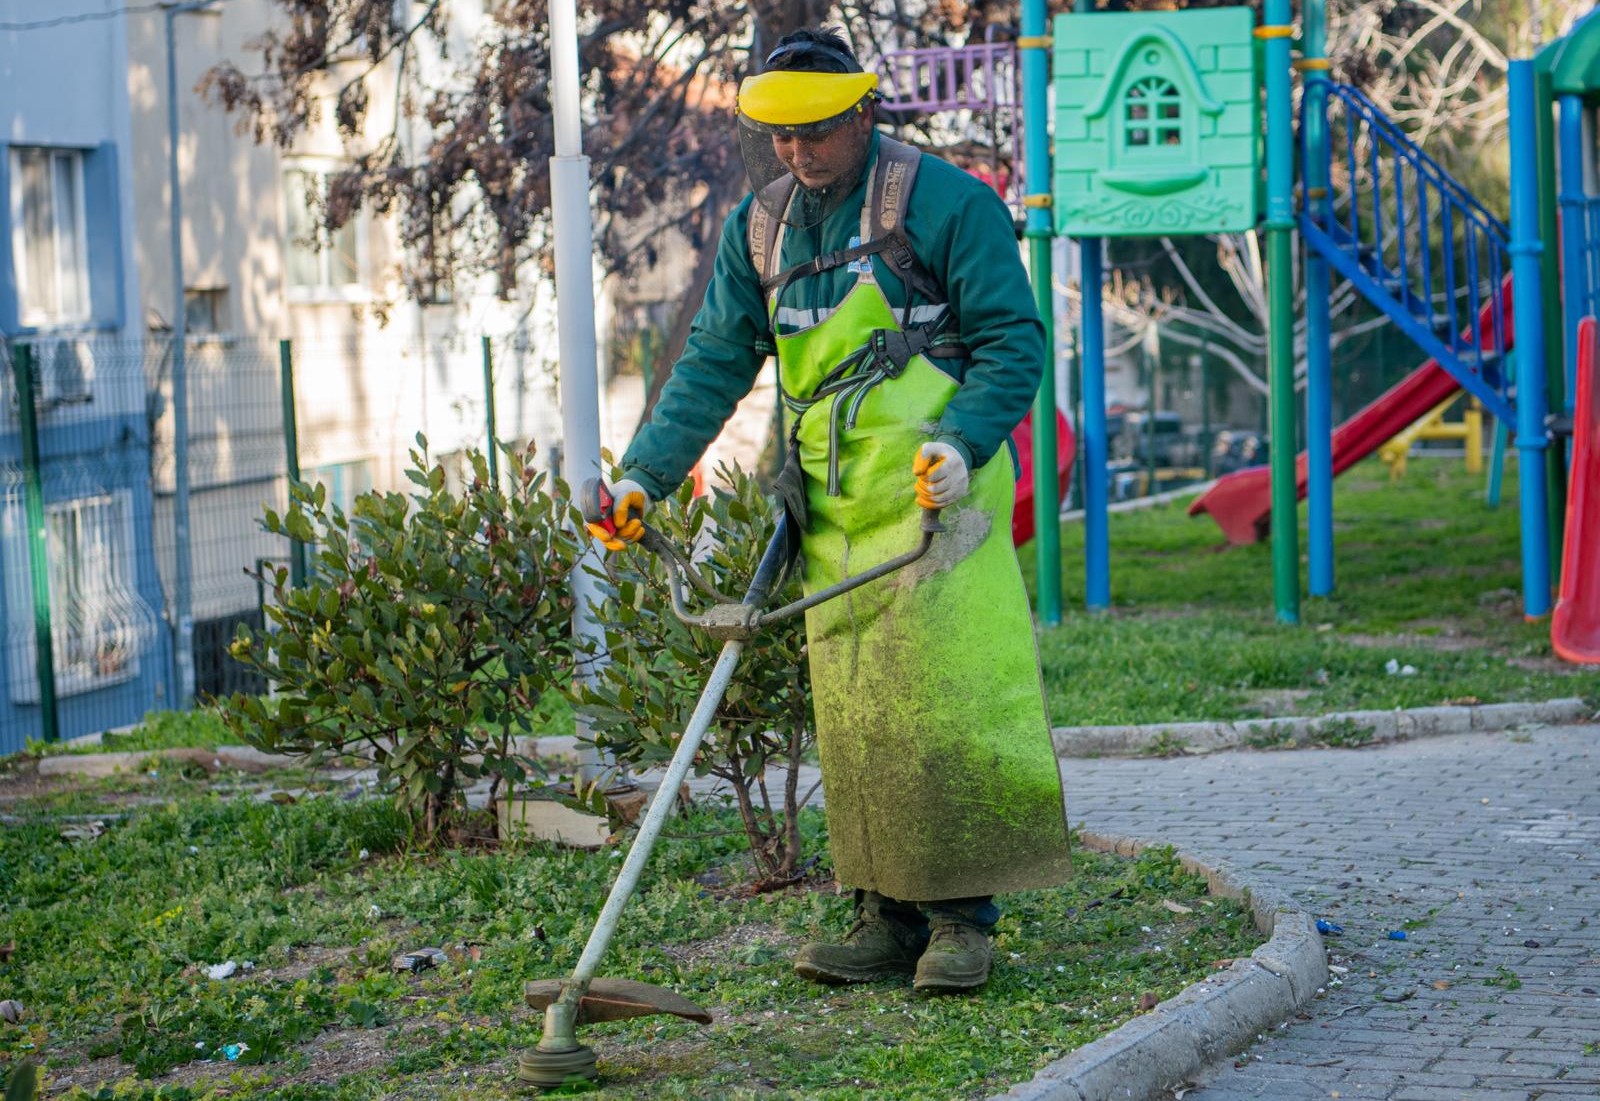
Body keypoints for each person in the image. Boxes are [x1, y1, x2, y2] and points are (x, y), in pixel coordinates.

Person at [588, 27, 1071, 995]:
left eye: (815, 131)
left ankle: (961, 922)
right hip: (832, 505)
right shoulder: (760, 227)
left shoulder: (948, 204)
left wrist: (960, 442)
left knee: (946, 704)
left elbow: (1012, 342)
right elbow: (715, 360)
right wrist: (644, 475)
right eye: (781, 135)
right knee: (857, 716)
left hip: (936, 495)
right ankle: (881, 915)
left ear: (863, 112)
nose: (797, 151)